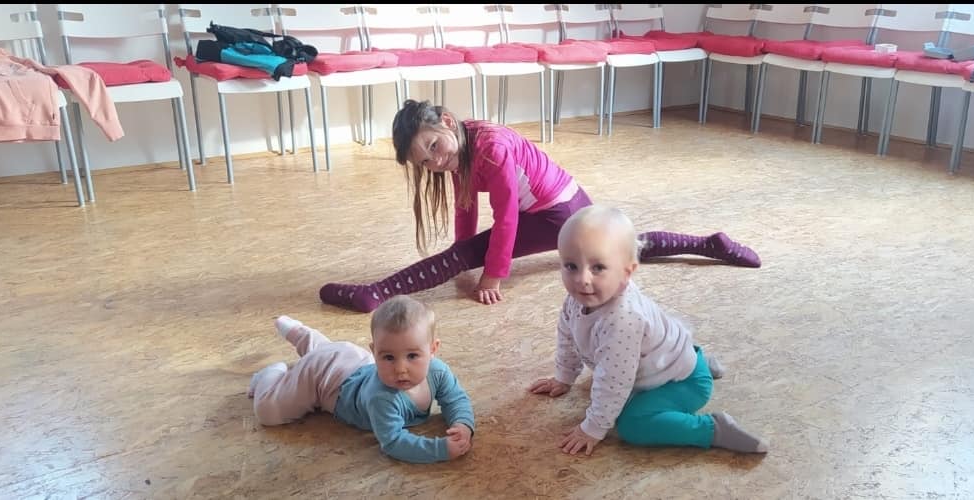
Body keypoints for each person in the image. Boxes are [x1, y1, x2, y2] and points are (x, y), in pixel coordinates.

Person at [319, 99, 762, 313]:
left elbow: (507, 216)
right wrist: (463, 253)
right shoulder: (461, 147)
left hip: (559, 214)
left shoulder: (491, 147)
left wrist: (492, 272)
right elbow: (466, 205)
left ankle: (376, 293)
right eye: (425, 161)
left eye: (433, 147)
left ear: (447, 123)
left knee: (621, 251)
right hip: (567, 202)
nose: (434, 161)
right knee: (627, 247)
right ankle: (709, 243)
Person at [528, 204, 768, 456]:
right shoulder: (577, 299)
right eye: (571, 266)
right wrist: (564, 376)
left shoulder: (623, 319)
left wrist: (593, 428)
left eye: (598, 267)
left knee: (633, 424)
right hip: (667, 358)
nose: (582, 279)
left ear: (627, 272)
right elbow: (568, 337)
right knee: (605, 380)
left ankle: (713, 429)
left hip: (683, 383)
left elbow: (614, 382)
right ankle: (702, 363)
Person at [247, 295, 475, 464]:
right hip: (323, 378)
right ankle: (271, 374)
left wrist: (462, 424)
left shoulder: (438, 372)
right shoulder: (382, 397)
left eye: (412, 356)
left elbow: (456, 398)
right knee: (268, 411)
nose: (400, 369)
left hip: (349, 359)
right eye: (388, 357)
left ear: (433, 349)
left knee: (326, 351)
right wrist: (439, 449)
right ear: (375, 352)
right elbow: (393, 442)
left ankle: (299, 333)